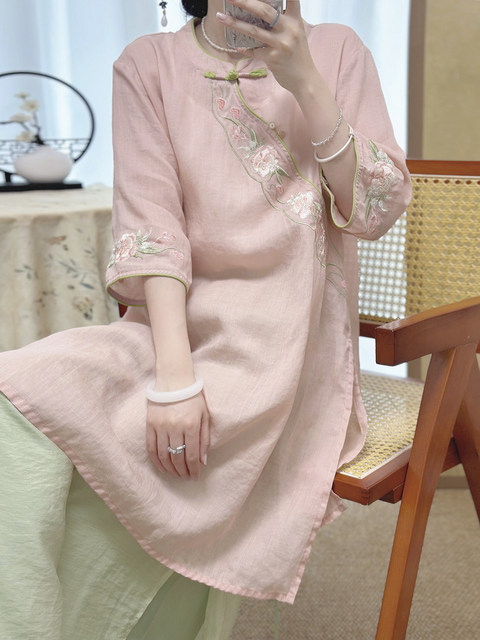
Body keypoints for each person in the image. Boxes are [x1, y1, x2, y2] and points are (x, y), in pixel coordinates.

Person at [0, 0, 412, 638]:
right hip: (166, 332)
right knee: (18, 396)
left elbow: (375, 211)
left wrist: (304, 80)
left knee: (154, 457)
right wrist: (174, 382)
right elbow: (152, 229)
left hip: (289, 349)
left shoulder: (336, 50)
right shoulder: (148, 64)